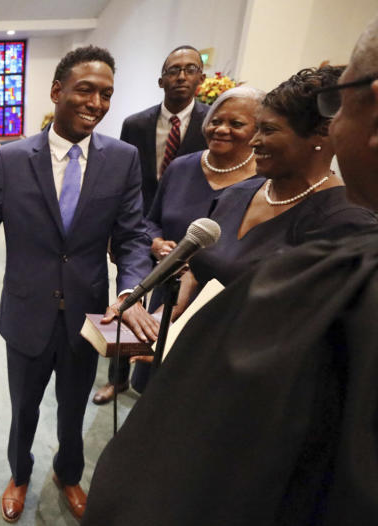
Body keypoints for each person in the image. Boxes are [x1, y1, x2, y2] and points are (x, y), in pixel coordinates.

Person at [76, 6, 378, 526]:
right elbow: (201, 265)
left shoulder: (353, 252)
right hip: (185, 375)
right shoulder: (241, 193)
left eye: (265, 130)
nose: (248, 142)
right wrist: (169, 324)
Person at [0, 46, 157, 524]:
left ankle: (69, 473)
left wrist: (129, 292)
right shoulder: (13, 158)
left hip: (88, 313)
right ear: (56, 91)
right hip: (25, 313)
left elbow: (132, 237)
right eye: (85, 89)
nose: (96, 102)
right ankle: (19, 476)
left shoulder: (122, 159)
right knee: (24, 410)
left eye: (106, 94)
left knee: (73, 407)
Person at [95, 85, 265, 403]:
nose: (222, 129)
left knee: (193, 393)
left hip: (217, 301)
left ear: (258, 130)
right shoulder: (182, 166)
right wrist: (157, 242)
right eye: (216, 120)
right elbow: (151, 218)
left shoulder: (264, 182)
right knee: (153, 382)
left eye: (236, 124)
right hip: (167, 284)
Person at [186, 66, 376, 292]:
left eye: (268, 130)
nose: (254, 141)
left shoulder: (345, 220)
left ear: (323, 134)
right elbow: (198, 269)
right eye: (256, 129)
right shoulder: (236, 194)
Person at [120, 45, 209, 214]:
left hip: (190, 218)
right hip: (140, 217)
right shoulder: (135, 125)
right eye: (174, 70)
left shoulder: (212, 125)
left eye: (190, 69)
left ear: (201, 78)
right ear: (161, 82)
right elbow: (123, 177)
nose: (181, 77)